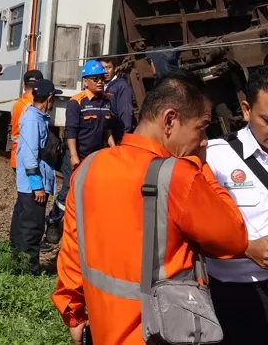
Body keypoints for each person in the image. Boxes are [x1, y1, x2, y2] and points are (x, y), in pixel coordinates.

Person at [52, 70, 250, 345]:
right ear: (169, 120)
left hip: (103, 331)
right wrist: (200, 166)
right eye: (202, 128)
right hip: (162, 335)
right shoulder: (180, 177)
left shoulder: (89, 167)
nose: (204, 140)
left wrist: (73, 314)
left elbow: (72, 251)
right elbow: (234, 238)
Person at [205, 66, 268, 343]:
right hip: (238, 294)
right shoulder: (215, 158)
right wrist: (244, 249)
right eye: (267, 120)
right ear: (246, 110)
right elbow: (190, 228)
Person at [46, 59, 114, 244]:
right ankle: (53, 220)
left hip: (96, 156)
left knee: (93, 191)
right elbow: (71, 132)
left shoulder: (107, 101)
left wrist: (114, 150)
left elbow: (107, 130)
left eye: (102, 78)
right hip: (76, 155)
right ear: (85, 81)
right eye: (95, 79)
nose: (100, 82)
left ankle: (85, 227)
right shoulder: (76, 102)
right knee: (68, 189)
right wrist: (74, 156)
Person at [11, 78, 62, 274]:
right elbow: (30, 154)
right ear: (49, 99)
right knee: (31, 229)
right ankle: (28, 272)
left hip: (30, 184)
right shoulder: (33, 119)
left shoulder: (35, 117)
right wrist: (37, 185)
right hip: (33, 185)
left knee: (22, 226)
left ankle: (17, 265)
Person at [10, 70, 44, 171]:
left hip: (16, 156)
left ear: (24, 86)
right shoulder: (35, 106)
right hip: (29, 158)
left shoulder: (17, 105)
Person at [100, 56, 135, 141]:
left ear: (115, 69)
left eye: (108, 68)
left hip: (116, 134)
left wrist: (124, 136)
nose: (105, 71)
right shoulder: (100, 84)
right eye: (103, 68)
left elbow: (126, 112)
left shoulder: (122, 86)